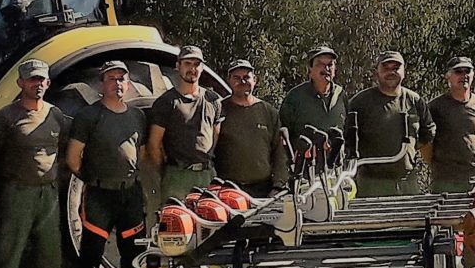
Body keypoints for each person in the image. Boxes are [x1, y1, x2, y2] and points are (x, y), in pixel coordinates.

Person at [0, 58, 70, 268]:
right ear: (21, 83)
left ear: (48, 83)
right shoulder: (4, 118)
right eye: (32, 80)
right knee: (9, 252)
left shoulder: (56, 115)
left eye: (42, 80)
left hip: (49, 195)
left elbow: (65, 150)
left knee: (50, 253)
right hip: (17, 193)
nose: (38, 84)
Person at [66, 60, 148, 268]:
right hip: (99, 194)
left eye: (122, 78)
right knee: (91, 252)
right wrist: (93, 178)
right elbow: (72, 158)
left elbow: (142, 156)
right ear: (102, 83)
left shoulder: (137, 116)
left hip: (130, 194)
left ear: (128, 83)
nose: (117, 83)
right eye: (111, 79)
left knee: (133, 251)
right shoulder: (88, 116)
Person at [146, 45, 222, 205]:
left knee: (212, 225)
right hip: (177, 177)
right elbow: (154, 144)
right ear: (177, 65)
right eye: (187, 63)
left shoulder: (213, 100)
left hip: (207, 175)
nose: (192, 69)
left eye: (196, 64)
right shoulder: (166, 102)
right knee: (177, 226)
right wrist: (168, 171)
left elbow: (215, 136)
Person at [347, 51, 429, 197]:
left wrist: (407, 154)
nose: (391, 72)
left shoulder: (415, 101)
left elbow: (427, 133)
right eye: (386, 68)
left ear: (404, 71)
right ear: (376, 72)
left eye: (396, 68)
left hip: (407, 185)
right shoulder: (360, 102)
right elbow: (347, 139)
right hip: (371, 185)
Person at [213, 59, 289, 193]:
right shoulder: (218, 109)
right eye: (236, 78)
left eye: (246, 77)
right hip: (226, 189)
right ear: (229, 80)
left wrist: (278, 185)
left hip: (262, 189)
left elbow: (280, 152)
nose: (242, 82)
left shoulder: (268, 112)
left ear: (255, 80)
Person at [276, 44, 347, 180]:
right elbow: (282, 139)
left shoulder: (341, 95)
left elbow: (348, 132)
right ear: (310, 69)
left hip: (335, 173)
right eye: (320, 64)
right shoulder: (295, 97)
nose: (326, 69)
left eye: (330, 65)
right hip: (303, 174)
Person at [424, 58, 475, 194]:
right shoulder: (435, 107)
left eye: (467, 71)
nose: (463, 76)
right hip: (445, 181)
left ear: (473, 75)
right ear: (448, 76)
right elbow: (426, 145)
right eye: (458, 71)